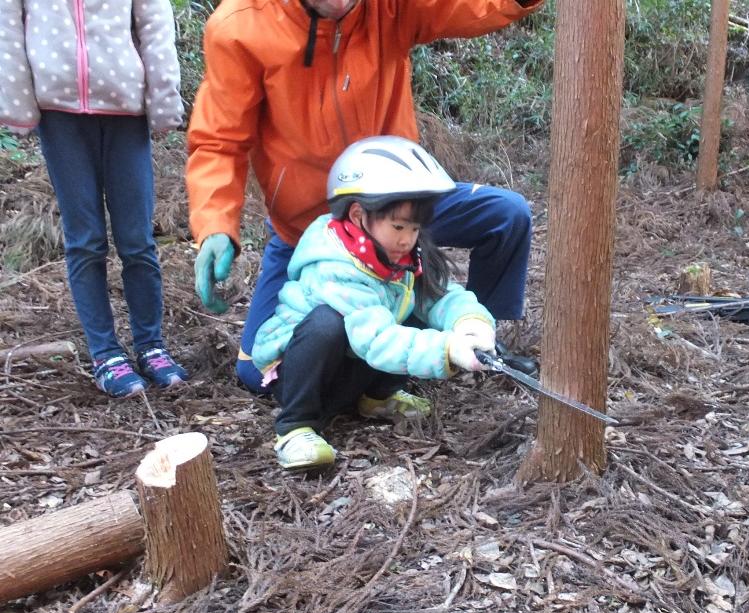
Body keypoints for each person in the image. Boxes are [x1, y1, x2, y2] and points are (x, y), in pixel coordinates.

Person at [186, 0, 542, 395]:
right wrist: (215, 224)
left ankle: (477, 343)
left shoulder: (389, 7)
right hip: (308, 232)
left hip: (397, 210)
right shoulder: (241, 27)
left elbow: (466, 6)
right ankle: (381, 352)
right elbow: (219, 142)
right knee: (260, 373)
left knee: (506, 215)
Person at [252, 136, 495, 470]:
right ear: (357, 215)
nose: (407, 238)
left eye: (414, 227)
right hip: (304, 377)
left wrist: (470, 323)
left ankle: (376, 399)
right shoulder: (334, 265)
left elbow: (439, 296)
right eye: (397, 226)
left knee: (410, 304)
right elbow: (376, 339)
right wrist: (448, 348)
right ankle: (295, 427)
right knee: (327, 324)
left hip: (351, 367)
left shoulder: (399, 255)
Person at [0, 0, 189, 397]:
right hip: (59, 111)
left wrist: (163, 102)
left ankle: (152, 345)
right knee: (85, 240)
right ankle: (106, 354)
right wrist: (17, 106)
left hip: (125, 108)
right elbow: (9, 28)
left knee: (137, 240)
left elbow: (154, 24)